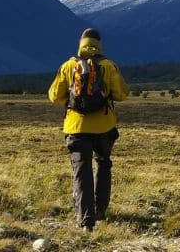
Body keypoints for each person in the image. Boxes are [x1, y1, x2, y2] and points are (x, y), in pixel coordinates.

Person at [48, 28, 129, 232]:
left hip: (76, 127)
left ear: (81, 43)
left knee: (81, 169)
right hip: (104, 126)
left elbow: (54, 96)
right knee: (103, 163)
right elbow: (121, 95)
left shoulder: (68, 66)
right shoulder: (109, 66)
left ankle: (86, 221)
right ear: (99, 44)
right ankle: (100, 210)